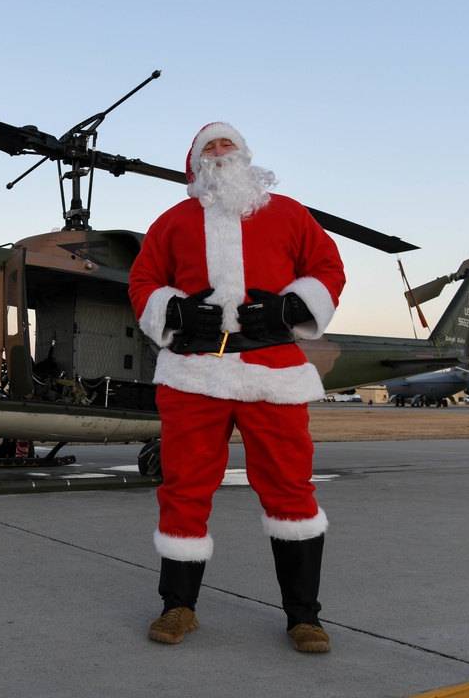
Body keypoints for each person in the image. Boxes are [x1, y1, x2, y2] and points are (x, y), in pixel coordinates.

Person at [128, 122, 345, 652]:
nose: (220, 152)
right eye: (210, 146)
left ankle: (304, 617)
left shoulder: (290, 213)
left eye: (228, 144)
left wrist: (290, 307)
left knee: (291, 490)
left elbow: (327, 267)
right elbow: (143, 282)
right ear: (194, 163)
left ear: (245, 155)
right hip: (193, 375)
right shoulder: (172, 221)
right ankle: (178, 608)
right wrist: (174, 310)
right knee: (184, 489)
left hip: (272, 374)